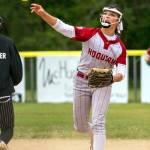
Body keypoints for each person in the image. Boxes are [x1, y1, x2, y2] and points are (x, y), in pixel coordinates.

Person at [30, 3, 126, 150]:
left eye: (112, 14)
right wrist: (43, 13)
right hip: (81, 81)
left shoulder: (120, 47)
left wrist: (105, 77)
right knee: (80, 126)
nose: (107, 15)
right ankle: (92, 133)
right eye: (106, 13)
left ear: (118, 21)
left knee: (99, 122)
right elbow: (63, 27)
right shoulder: (90, 33)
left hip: (103, 83)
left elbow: (121, 74)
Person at [0, 17, 23, 150]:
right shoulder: (8, 43)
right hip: (3, 94)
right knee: (7, 129)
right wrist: (10, 84)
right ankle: (2, 142)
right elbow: (16, 70)